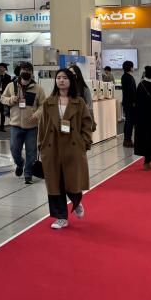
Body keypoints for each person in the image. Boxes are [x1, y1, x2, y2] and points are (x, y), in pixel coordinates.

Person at [37, 68, 92, 230]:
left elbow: (86, 124)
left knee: (72, 181)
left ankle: (76, 201)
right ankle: (61, 217)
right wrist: (41, 145)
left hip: (73, 147)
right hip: (51, 147)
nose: (61, 80)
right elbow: (42, 126)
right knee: (54, 184)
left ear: (71, 81)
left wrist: (84, 142)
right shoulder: (48, 102)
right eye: (59, 77)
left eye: (65, 78)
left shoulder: (79, 102)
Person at [2, 62, 46, 185]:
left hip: (32, 127)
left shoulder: (38, 89)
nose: (26, 72)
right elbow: (2, 98)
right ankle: (20, 163)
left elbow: (43, 105)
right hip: (15, 125)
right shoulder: (11, 86)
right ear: (20, 71)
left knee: (31, 151)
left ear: (31, 73)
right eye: (24, 70)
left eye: (28, 70)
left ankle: (28, 174)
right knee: (14, 149)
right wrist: (11, 99)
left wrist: (37, 115)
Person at [121, 60, 137, 148]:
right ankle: (128, 140)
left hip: (127, 103)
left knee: (128, 121)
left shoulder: (124, 77)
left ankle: (127, 139)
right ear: (130, 68)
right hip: (130, 103)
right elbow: (132, 92)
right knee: (130, 122)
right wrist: (135, 102)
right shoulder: (129, 78)